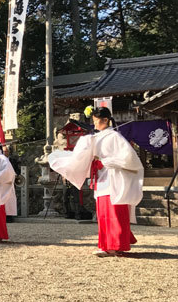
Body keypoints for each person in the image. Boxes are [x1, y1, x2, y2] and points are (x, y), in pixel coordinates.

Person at [49, 106, 143, 257]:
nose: (95, 124)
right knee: (103, 214)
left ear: (105, 120)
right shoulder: (95, 137)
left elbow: (129, 158)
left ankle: (115, 245)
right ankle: (106, 245)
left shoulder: (115, 137)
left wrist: (106, 161)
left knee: (114, 212)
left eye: (96, 121)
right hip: (101, 177)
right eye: (93, 121)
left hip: (113, 178)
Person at [2, 145, 19, 222]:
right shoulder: (0, 160)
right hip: (2, 183)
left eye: (7, 151)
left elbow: (17, 170)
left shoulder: (13, 160)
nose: (5, 153)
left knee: (10, 199)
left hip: (11, 182)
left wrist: (15, 175)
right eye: (4, 151)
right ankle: (2, 215)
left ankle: (10, 216)